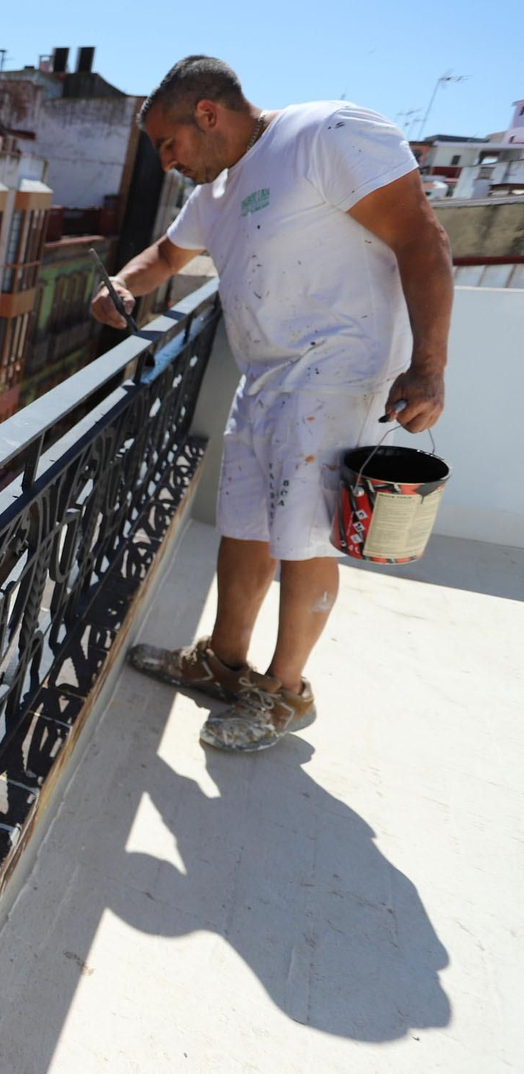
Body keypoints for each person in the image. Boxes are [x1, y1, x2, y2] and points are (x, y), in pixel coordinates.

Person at [92, 56, 450, 752]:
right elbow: (165, 255)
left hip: (337, 373)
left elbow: (420, 235)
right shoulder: (217, 196)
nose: (167, 163)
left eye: (169, 145)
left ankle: (286, 694)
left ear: (207, 114)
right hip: (265, 381)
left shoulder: (325, 134)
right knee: (246, 525)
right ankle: (223, 665)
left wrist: (429, 366)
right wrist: (126, 288)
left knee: (304, 537)